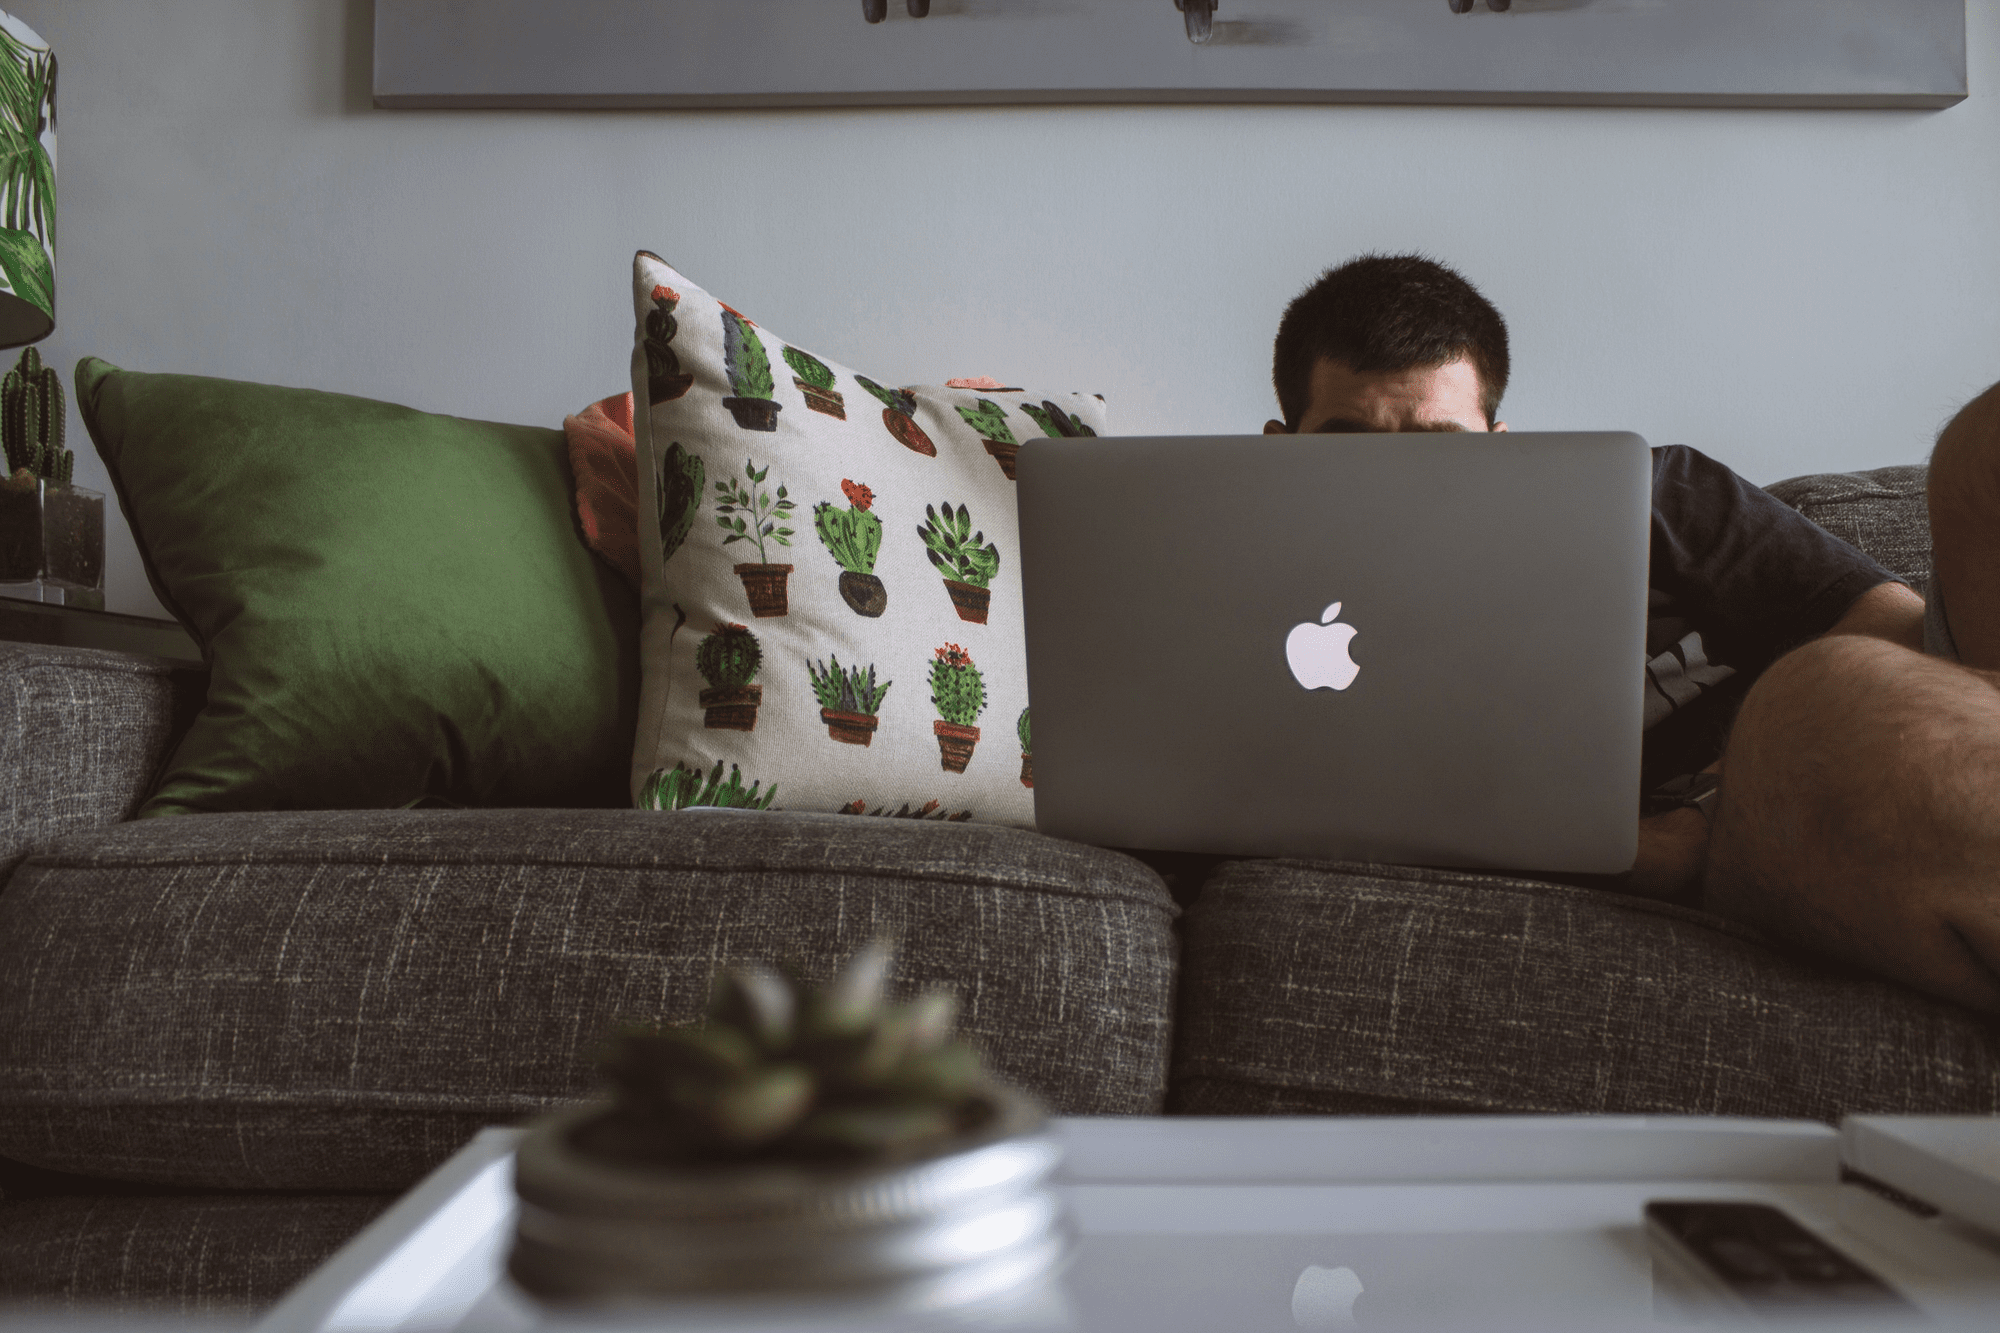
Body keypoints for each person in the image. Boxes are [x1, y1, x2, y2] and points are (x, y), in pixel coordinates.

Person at [1264, 254, 1926, 908]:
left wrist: (1702, 822)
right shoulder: (1248, 592)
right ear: (1278, 450)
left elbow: (1896, 624)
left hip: (1744, 840)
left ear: (1500, 445)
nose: (1399, 491)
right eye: (1349, 447)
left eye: (1440, 446)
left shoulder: (1655, 496)